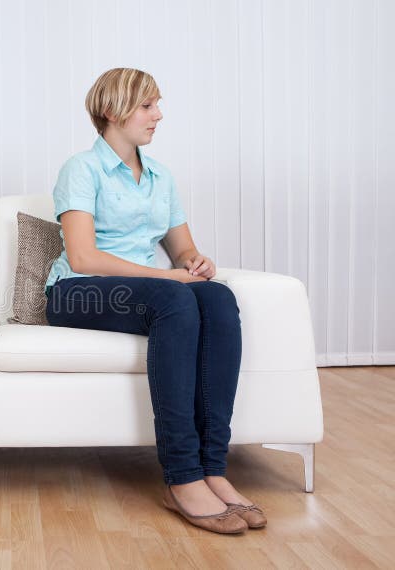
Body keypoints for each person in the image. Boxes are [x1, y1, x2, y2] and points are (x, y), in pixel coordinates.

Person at [44, 68, 266, 534]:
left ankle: (213, 469)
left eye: (156, 105)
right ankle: (181, 477)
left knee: (218, 298)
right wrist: (168, 277)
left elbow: (183, 249)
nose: (158, 115)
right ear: (112, 111)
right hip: (75, 292)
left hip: (150, 290)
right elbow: (83, 256)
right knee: (175, 298)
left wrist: (195, 263)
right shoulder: (81, 168)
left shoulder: (161, 176)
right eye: (147, 106)